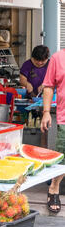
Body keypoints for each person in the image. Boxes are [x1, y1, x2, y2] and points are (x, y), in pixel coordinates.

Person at [41, 48, 65, 214]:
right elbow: (49, 86)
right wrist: (46, 112)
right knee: (62, 155)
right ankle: (54, 189)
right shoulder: (58, 58)